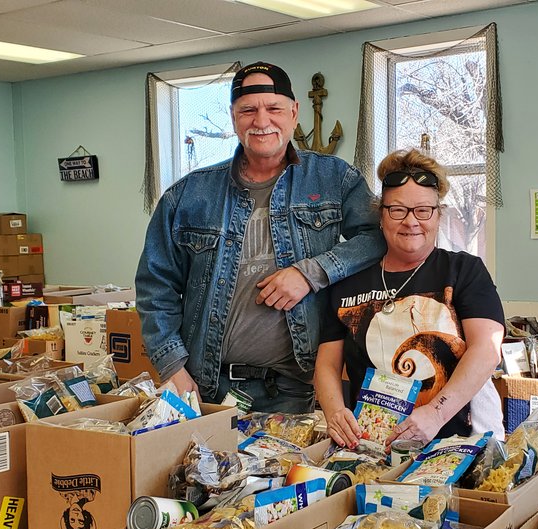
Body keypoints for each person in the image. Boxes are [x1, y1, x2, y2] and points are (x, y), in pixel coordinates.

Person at [136, 61, 386, 414]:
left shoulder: (334, 178)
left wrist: (311, 273)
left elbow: (378, 238)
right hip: (207, 387)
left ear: (294, 112)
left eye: (274, 108)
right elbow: (155, 286)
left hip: (296, 388)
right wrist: (171, 364)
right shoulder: (188, 195)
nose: (261, 120)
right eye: (248, 110)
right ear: (233, 117)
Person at [316, 149, 505, 447]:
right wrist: (335, 412)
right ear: (381, 215)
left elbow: (486, 350)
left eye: (423, 210)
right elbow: (327, 364)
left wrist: (435, 414)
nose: (411, 221)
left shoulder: (463, 270)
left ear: (438, 215)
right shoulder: (347, 282)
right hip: (372, 444)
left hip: (454, 445)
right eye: (398, 210)